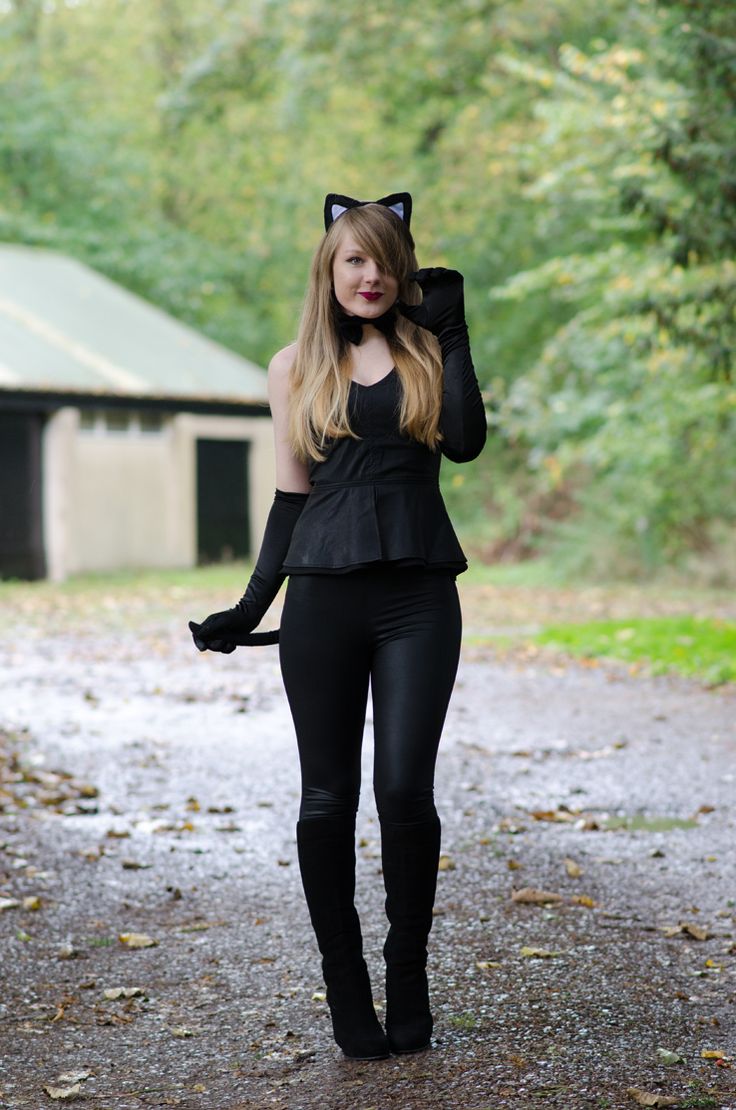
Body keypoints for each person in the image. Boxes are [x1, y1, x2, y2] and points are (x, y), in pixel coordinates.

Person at [189, 192, 486, 1060]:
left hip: (418, 599)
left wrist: (458, 332)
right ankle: (346, 990)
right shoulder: (293, 368)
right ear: (329, 269)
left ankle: (409, 974)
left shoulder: (430, 352)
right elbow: (290, 500)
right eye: (354, 259)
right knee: (326, 801)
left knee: (403, 792)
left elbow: (464, 443)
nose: (371, 274)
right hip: (321, 599)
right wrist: (249, 608)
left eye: (385, 259)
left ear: (404, 274)